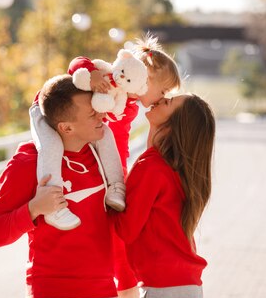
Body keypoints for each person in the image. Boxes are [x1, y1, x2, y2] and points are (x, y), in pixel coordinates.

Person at [0, 74, 139, 298]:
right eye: (92, 113)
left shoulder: (103, 159)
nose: (101, 116)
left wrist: (126, 279)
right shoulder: (28, 164)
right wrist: (33, 208)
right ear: (66, 127)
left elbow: (115, 226)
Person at [29, 34, 181, 230]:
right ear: (145, 78)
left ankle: (116, 187)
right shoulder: (109, 73)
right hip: (46, 111)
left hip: (73, 125)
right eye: (163, 90)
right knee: (52, 147)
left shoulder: (128, 107)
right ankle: (53, 204)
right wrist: (91, 74)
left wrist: (120, 176)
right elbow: (77, 62)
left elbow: (119, 140)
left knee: (107, 140)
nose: (163, 97)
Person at [114, 92, 216, 298]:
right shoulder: (175, 171)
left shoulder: (152, 167)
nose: (160, 100)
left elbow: (125, 229)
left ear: (174, 125)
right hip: (189, 291)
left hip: (166, 293)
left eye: (168, 102)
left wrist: (103, 203)